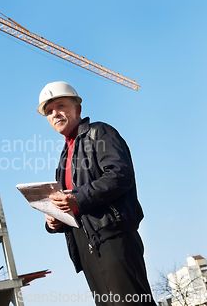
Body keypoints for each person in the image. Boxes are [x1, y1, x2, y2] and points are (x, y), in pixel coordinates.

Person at [38, 81, 156, 306]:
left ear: (78, 109)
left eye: (61, 106)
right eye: (49, 111)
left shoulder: (99, 133)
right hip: (86, 247)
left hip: (113, 238)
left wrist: (77, 198)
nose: (55, 114)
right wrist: (55, 219)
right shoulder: (64, 158)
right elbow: (72, 203)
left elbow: (120, 175)